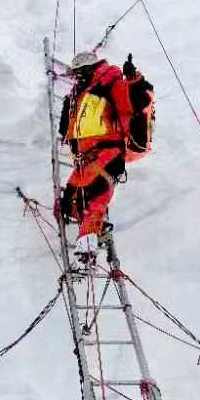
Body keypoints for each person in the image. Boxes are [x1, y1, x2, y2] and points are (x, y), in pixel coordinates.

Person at [57, 51, 133, 261]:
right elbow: (70, 127)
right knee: (70, 201)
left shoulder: (111, 82)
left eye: (79, 72)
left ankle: (88, 242)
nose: (77, 77)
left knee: (98, 193)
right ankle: (93, 231)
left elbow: (127, 110)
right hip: (87, 156)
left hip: (108, 150)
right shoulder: (82, 93)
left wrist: (132, 81)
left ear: (88, 68)